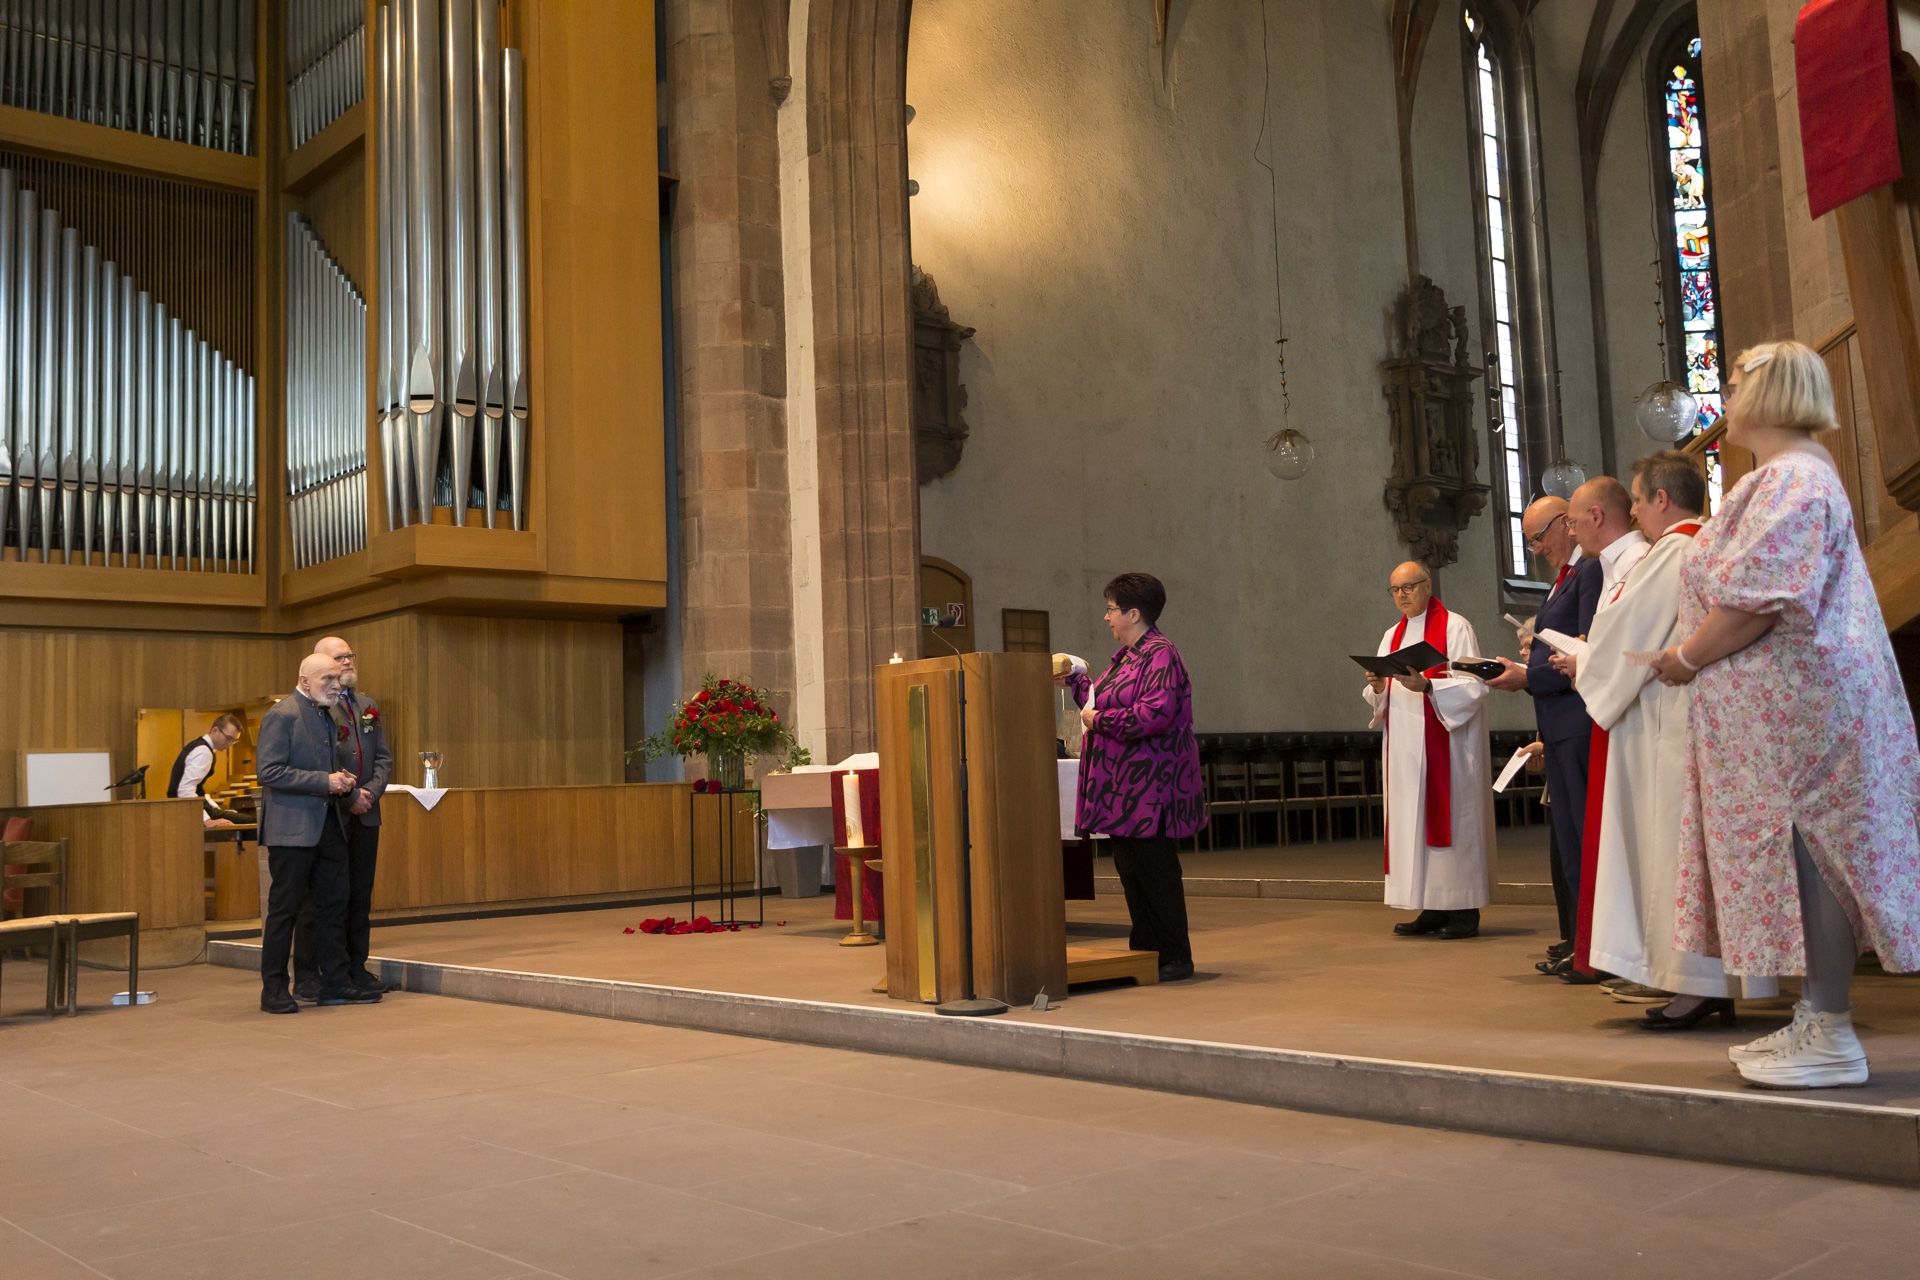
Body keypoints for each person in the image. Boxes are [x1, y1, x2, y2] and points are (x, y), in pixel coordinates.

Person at [1651, 341, 1920, 1088]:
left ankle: (1833, 1030)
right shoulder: (1778, 478)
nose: (1725, 397)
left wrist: (1686, 658)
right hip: (1784, 721)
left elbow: (1758, 600)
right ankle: (1817, 1016)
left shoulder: (1796, 480)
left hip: (1803, 720)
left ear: (1769, 392)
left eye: (1734, 383)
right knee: (1796, 854)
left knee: (1814, 852)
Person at [1563, 451, 1774, 1028]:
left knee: (1675, 855)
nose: (1632, 510)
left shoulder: (1676, 549)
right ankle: (1710, 982)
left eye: (1636, 499)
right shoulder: (1708, 543)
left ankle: (1696, 984)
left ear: (1661, 499)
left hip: (1670, 725)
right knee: (1697, 857)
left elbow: (1624, 636)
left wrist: (1584, 658)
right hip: (1697, 719)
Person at [1486, 496, 1603, 973]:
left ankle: (1589, 945)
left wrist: (1529, 676)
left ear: (1568, 523)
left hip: (1577, 721)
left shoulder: (1589, 573)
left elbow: (1589, 650)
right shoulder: (1567, 578)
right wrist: (1525, 667)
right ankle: (1579, 938)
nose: (1536, 548)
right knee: (1569, 838)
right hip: (1557, 723)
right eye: (1530, 540)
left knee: (1580, 837)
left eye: (1540, 536)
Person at [1069, 572, 1204, 981]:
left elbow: (1154, 713)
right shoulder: (1127, 657)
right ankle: (1146, 953)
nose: (1107, 617)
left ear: (1133, 613)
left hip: (1151, 787)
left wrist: (1100, 719)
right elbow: (1099, 703)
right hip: (1124, 790)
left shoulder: (1161, 654)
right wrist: (1076, 683)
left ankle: (1174, 956)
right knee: (1131, 872)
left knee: (1156, 872)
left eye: (1111, 609)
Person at [1361, 562, 1494, 938]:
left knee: (1452, 823)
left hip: (1447, 747)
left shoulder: (1455, 627)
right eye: (1395, 590)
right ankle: (1431, 906)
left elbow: (1475, 685)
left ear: (1428, 586)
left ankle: (1464, 911)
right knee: (1413, 827)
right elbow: (1380, 696)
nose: (1402, 595)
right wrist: (1379, 685)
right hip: (1405, 750)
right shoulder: (1391, 636)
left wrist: (1430, 688)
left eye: (1409, 587)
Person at [255, 653, 380, 1014]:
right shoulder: (282, 715)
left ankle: (336, 981)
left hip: (330, 825)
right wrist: (325, 781)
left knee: (333, 906)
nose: (335, 685)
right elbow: (270, 771)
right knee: (285, 911)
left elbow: (326, 765)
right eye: (327, 678)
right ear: (304, 679)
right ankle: (275, 988)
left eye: (336, 679)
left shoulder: (326, 713)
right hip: (292, 831)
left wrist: (343, 781)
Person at [292, 636, 395, 1001]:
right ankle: (307, 974)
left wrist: (371, 792)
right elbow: (323, 761)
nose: (347, 663)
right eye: (339, 658)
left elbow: (382, 756)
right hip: (331, 813)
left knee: (358, 896)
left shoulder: (367, 704)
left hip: (366, 813)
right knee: (317, 899)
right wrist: (351, 795)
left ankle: (355, 968)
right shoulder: (319, 706)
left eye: (350, 655)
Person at [169, 713, 244, 827]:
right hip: (183, 810)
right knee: (250, 822)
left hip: (189, 807)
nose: (230, 744)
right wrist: (207, 821)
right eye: (228, 738)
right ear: (215, 730)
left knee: (244, 820)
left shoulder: (202, 747)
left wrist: (218, 810)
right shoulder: (203, 752)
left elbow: (199, 790)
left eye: (234, 741)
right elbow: (185, 791)